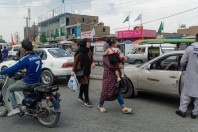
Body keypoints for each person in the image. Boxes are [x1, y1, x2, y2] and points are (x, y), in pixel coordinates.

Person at [0, 39, 42, 116]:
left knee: (9, 89)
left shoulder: (26, 58)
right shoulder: (37, 56)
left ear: (23, 49)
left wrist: (1, 72)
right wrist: (26, 70)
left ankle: (15, 108)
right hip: (38, 81)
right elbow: (35, 67)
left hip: (28, 82)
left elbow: (13, 68)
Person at [98, 39, 132, 113]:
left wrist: (122, 60)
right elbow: (111, 66)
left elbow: (119, 62)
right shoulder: (105, 58)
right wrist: (119, 66)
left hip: (116, 77)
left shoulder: (114, 55)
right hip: (108, 77)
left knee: (118, 91)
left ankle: (123, 107)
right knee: (105, 92)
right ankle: (100, 105)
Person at [176, 33, 198, 119]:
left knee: (186, 94)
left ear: (196, 38)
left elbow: (182, 62)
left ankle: (182, 111)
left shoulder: (190, 48)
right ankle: (194, 114)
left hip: (191, 76)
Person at [71, 38, 96, 107]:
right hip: (81, 70)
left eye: (90, 43)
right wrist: (73, 70)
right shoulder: (80, 51)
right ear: (84, 43)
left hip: (87, 70)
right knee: (86, 85)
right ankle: (87, 100)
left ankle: (80, 96)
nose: (89, 44)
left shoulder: (89, 51)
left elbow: (92, 59)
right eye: (88, 42)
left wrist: (93, 63)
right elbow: (75, 61)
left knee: (84, 84)